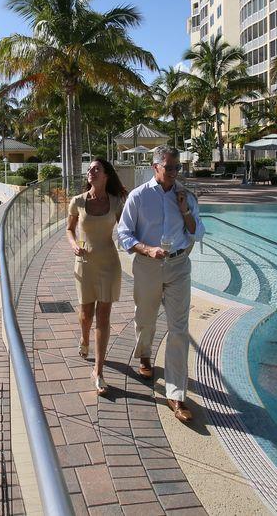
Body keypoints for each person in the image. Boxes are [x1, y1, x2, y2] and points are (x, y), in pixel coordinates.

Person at [116, 145, 205, 422]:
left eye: (178, 168)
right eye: (169, 168)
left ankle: (176, 394)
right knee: (146, 318)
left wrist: (185, 211)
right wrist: (146, 249)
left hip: (178, 265)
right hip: (147, 265)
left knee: (179, 329)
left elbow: (198, 232)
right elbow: (123, 234)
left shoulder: (186, 196)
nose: (174, 173)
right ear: (155, 167)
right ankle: (144, 354)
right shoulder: (138, 197)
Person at [66, 158, 127, 395]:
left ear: (106, 176)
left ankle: (98, 370)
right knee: (86, 314)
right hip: (84, 263)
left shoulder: (116, 202)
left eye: (96, 169)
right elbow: (70, 229)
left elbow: (126, 230)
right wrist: (73, 245)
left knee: (103, 317)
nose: (91, 172)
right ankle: (84, 339)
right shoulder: (78, 201)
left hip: (109, 264)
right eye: (89, 169)